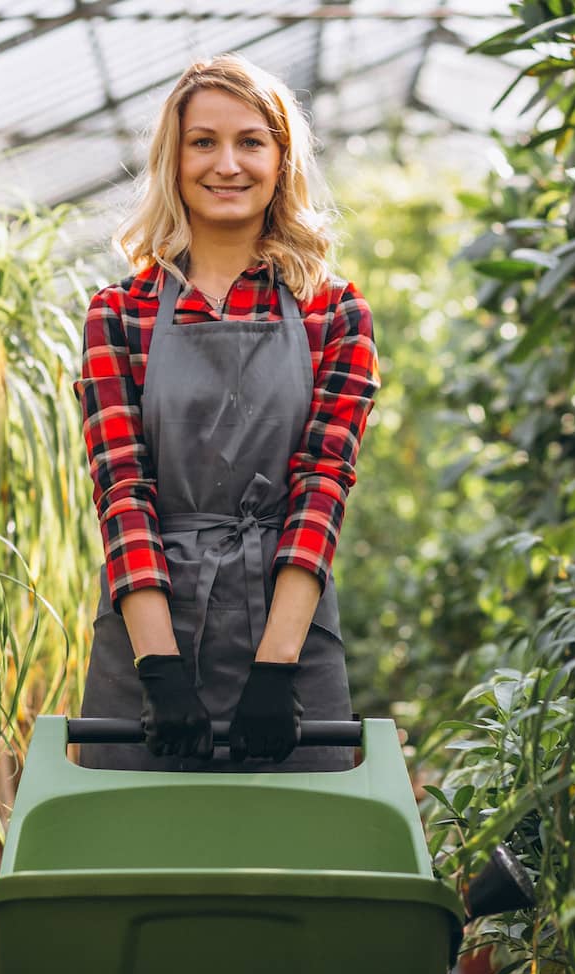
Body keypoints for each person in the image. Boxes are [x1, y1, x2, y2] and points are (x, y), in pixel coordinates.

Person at [74, 54, 379, 772]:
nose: (228, 164)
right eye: (203, 142)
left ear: (282, 159)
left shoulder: (334, 314)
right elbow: (122, 491)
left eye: (251, 141)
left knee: (300, 871)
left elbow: (320, 491)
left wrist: (275, 671)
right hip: (146, 631)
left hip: (289, 629)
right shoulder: (119, 315)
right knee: (131, 867)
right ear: (173, 161)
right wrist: (160, 671)